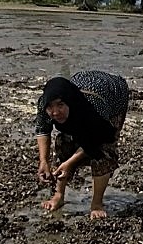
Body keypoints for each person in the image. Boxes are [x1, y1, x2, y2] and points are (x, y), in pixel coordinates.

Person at [33, 71, 131, 220]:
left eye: (60, 105)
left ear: (69, 101)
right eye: (50, 107)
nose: (55, 112)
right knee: (63, 142)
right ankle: (58, 195)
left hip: (113, 94)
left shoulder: (94, 104)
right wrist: (44, 161)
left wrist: (70, 163)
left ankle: (97, 203)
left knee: (103, 150)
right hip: (84, 81)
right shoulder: (43, 104)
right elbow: (42, 130)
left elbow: (97, 138)